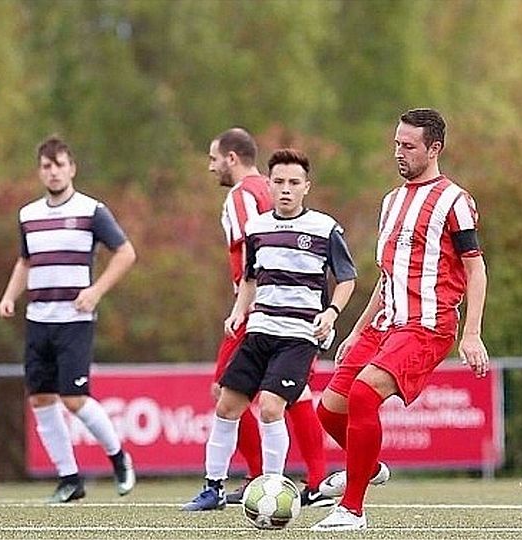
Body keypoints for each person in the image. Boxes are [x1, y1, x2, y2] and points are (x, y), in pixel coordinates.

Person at [311, 108, 489, 531]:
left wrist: (473, 333)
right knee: (329, 410)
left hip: (428, 325)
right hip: (384, 325)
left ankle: (352, 509)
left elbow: (475, 268)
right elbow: (388, 276)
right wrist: (355, 332)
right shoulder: (390, 202)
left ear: (434, 148)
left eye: (408, 146)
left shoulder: (455, 201)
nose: (399, 153)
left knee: (363, 395)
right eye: (396, 144)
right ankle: (367, 468)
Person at [182, 148, 357, 512]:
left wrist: (332, 312)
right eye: (278, 182)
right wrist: (237, 312)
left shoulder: (324, 228)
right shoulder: (257, 227)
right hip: (259, 330)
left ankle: (273, 489)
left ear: (306, 187)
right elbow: (249, 278)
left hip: (298, 336)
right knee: (227, 406)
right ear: (270, 184)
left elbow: (346, 278)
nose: (286, 189)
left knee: (271, 407)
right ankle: (212, 488)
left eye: (294, 183)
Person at [0, 136, 138, 503]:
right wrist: (10, 297)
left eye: (60, 164)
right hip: (37, 319)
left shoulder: (92, 211)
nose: (54, 172)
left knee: (74, 398)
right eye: (47, 166)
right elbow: (25, 262)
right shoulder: (28, 215)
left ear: (72, 168)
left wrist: (96, 291)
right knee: (41, 399)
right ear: (39, 171)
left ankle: (118, 456)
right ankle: (69, 479)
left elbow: (125, 253)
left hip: (74, 320)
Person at [205, 128, 333, 508]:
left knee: (227, 392)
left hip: (264, 309)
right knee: (296, 393)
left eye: (213, 159)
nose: (211, 168)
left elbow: (258, 249)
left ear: (231, 158)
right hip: (291, 309)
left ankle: (257, 476)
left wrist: (246, 305)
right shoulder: (268, 186)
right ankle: (315, 479)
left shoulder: (242, 196)